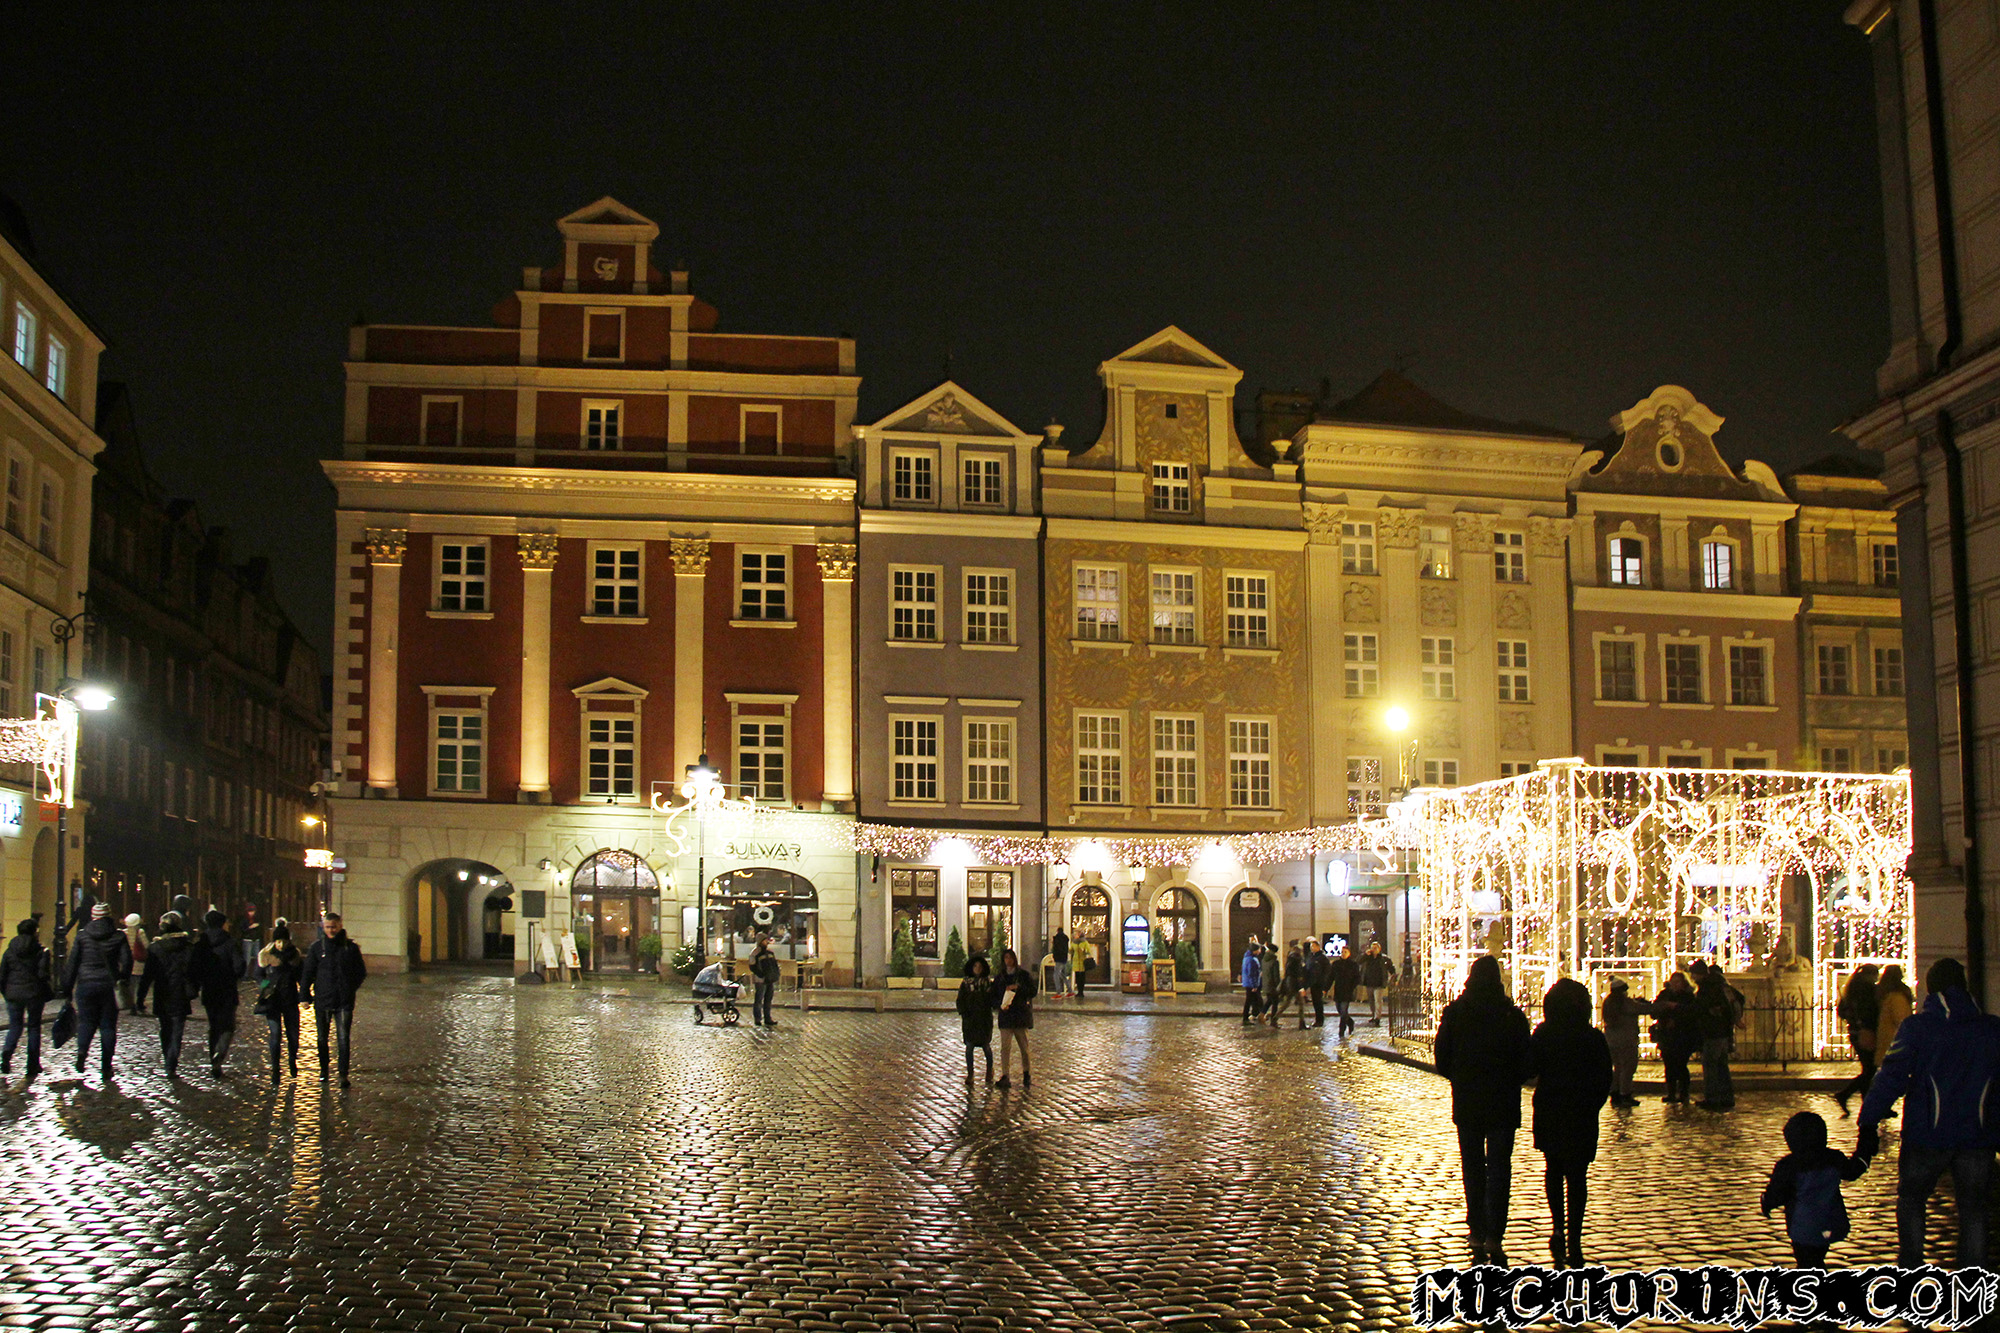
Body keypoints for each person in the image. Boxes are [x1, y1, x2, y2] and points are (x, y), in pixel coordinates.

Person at [1856, 956, 2000, 1268]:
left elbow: (1890, 1077)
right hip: (1978, 1135)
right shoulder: (1992, 1029)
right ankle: (1973, 1274)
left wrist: (1868, 1121)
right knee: (1974, 1207)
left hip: (1927, 1133)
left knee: (1912, 1199)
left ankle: (1911, 1265)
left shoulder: (1917, 1028)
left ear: (1931, 990)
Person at [1434, 955, 1531, 1264]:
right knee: (1500, 1168)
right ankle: (1495, 1234)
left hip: (1469, 1099)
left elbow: (1442, 1056)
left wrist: (1460, 1077)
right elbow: (1526, 1060)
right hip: (1502, 1099)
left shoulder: (1457, 1012)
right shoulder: (1511, 1015)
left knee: (1473, 1167)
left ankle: (1476, 1228)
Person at [1528, 977, 1613, 1267]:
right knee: (1577, 1177)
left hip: (1552, 1106)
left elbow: (1530, 1067)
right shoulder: (1592, 1037)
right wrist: (1593, 1104)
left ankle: (1558, 1227)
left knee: (1554, 1169)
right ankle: (1574, 1235)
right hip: (1581, 1111)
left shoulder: (1544, 1033)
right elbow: (1605, 1077)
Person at [1763, 1110, 1868, 1269]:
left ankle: (1810, 1285)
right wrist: (1865, 1150)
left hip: (1802, 1226)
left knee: (1805, 1259)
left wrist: (1766, 1202)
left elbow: (1777, 1193)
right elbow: (1853, 1171)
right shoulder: (1833, 1158)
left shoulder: (1788, 1165)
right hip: (1830, 1221)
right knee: (1818, 1254)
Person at [63, 902, 132, 1082]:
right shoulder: (118, 936)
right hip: (109, 986)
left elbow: (73, 963)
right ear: (109, 915)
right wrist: (121, 978)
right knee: (108, 1026)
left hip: (86, 984)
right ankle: (106, 1067)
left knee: (85, 1022)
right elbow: (127, 961)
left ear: (93, 916)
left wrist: (67, 988)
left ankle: (81, 1051)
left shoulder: (82, 936)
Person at [301, 911, 367, 1087]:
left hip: (344, 1000)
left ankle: (343, 1074)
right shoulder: (317, 948)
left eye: (334, 927)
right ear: (323, 927)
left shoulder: (350, 948)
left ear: (340, 926)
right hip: (323, 999)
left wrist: (350, 987)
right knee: (322, 1038)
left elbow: (360, 972)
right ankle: (324, 1071)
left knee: (343, 1037)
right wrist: (304, 995)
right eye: (328, 927)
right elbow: (308, 973)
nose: (331, 930)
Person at [139, 912, 197, 1078]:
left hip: (162, 992)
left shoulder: (155, 948)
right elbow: (193, 971)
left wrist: (140, 996)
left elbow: (147, 975)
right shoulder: (187, 947)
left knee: (165, 1029)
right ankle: (172, 1063)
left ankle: (168, 1060)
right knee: (177, 1030)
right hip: (180, 992)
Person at [196, 909, 246, 1078]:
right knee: (228, 1026)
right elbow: (239, 966)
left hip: (209, 990)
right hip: (227, 990)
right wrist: (234, 976)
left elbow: (194, 967)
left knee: (213, 1027)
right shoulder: (230, 942)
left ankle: (213, 1059)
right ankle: (220, 1053)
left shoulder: (201, 943)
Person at [0, 919, 53, 1077]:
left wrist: (6, 993)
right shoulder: (40, 951)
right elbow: (43, 974)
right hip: (34, 994)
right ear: (34, 932)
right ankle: (32, 1065)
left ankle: (6, 1055)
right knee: (34, 1028)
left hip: (13, 994)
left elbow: (2, 975)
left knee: (15, 1026)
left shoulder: (9, 951)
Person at [255, 922, 303, 1082]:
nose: (281, 944)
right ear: (274, 941)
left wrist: (304, 995)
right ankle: (275, 1069)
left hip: (290, 999)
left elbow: (301, 976)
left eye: (284, 941)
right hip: (273, 1000)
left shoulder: (294, 956)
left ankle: (292, 1060)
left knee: (293, 1035)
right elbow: (258, 975)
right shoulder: (266, 956)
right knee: (275, 1034)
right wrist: (265, 986)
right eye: (278, 941)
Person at [1833, 963, 1881, 1116]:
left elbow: (1841, 1011)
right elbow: (1871, 1011)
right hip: (1866, 1032)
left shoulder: (1851, 988)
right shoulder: (1867, 990)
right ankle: (1847, 1095)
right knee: (1870, 1069)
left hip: (1854, 1031)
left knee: (1868, 1069)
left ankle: (1867, 1103)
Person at [1692, 964, 1739, 1110]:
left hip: (1713, 1031)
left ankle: (1712, 1098)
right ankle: (1726, 1097)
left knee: (1711, 1065)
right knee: (1721, 1066)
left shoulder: (1708, 988)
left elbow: (1703, 1007)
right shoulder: (1721, 985)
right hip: (1722, 1031)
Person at [1600, 978, 1649, 1108]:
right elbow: (1643, 1009)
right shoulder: (1624, 1003)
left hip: (1611, 1040)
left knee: (1617, 1068)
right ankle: (1625, 1094)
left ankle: (1615, 1093)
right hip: (1626, 1040)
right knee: (1628, 1068)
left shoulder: (1608, 1002)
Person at [991, 946, 1035, 1088]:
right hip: (1006, 1016)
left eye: (1010, 958)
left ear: (1014, 959)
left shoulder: (1023, 975)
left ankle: (1026, 1073)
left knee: (1024, 1048)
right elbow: (993, 996)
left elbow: (1032, 991)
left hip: (1020, 1016)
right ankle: (1005, 1075)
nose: (1008, 961)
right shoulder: (1000, 978)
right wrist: (1000, 1005)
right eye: (1006, 958)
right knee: (1005, 1048)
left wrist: (1019, 988)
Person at [1651, 972, 1696, 1104]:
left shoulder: (1688, 997)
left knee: (1681, 1065)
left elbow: (1691, 1013)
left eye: (1678, 982)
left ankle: (1684, 1093)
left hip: (1683, 1035)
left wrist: (1676, 1014)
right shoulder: (1665, 995)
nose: (1675, 985)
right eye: (1673, 982)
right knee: (1669, 1065)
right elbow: (1656, 1010)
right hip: (1667, 1035)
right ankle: (1671, 1092)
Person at [956, 954, 993, 1084]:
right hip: (970, 1020)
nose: (977, 968)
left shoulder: (987, 983)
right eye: (975, 966)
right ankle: (970, 1074)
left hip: (984, 1020)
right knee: (969, 1047)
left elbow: (991, 1000)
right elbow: (960, 1000)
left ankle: (989, 1071)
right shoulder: (966, 983)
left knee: (986, 1047)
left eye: (980, 966)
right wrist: (964, 1012)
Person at [1875, 964, 1914, 1089]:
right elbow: (1902, 1020)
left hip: (1886, 1042)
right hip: (1896, 1043)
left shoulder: (1884, 994)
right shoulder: (1898, 997)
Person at [1269, 938, 1304, 1028]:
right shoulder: (1297, 960)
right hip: (1294, 984)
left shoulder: (1291, 958)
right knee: (1296, 1003)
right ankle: (1301, 1024)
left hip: (1290, 983)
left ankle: (1275, 1019)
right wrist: (1300, 987)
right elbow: (1297, 974)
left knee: (1289, 1003)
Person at [748, 934, 779, 1029]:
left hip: (770, 978)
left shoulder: (770, 952)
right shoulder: (755, 953)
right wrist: (760, 974)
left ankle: (767, 1018)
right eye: (765, 940)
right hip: (760, 979)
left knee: (768, 999)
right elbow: (752, 966)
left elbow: (774, 964)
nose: (767, 942)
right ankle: (758, 1018)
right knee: (759, 999)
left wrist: (776, 973)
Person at [1330, 944, 1361, 1039]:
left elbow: (1357, 978)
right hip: (1338, 990)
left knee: (1343, 1011)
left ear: (1349, 953)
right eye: (1342, 952)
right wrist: (1325, 988)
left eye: (1345, 952)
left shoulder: (1353, 965)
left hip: (1347, 990)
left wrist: (1352, 987)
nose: (1343, 954)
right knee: (1340, 1010)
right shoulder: (1336, 964)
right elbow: (1331, 977)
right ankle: (1350, 1022)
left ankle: (1341, 1030)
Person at [1362, 941, 1396, 1027]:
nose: (1373, 949)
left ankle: (1377, 1017)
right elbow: (1359, 961)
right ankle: (1373, 1015)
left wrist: (1393, 978)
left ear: (1379, 949)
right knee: (1371, 1000)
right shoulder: (1368, 958)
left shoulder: (1384, 958)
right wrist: (1365, 954)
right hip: (1369, 982)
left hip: (1379, 983)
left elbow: (1391, 968)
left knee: (1378, 1000)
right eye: (1372, 948)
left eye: (1375, 948)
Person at [120, 913, 148, 1013]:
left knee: (130, 986)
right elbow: (146, 946)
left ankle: (130, 1005)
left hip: (128, 963)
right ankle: (139, 1004)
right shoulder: (140, 932)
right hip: (139, 963)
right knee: (140, 986)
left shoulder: (123, 933)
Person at [1304, 939, 1329, 1029]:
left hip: (1319, 983)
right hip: (1312, 983)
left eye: (1313, 946)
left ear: (1318, 947)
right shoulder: (1311, 956)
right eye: (1311, 946)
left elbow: (1326, 972)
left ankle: (1320, 1020)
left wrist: (1324, 985)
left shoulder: (1323, 958)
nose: (1311, 948)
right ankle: (1318, 1019)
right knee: (1315, 1002)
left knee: (1318, 1002)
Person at [1240, 941, 1263, 1024]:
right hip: (1251, 984)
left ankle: (1255, 1015)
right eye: (1259, 949)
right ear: (1255, 950)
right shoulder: (1252, 959)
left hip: (1248, 983)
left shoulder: (1247, 957)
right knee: (1250, 1001)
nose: (1260, 951)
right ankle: (1246, 1018)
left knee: (1253, 1000)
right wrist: (1254, 985)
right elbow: (1251, 973)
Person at [1050, 927, 1070, 998]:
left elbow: (1055, 949)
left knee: (1056, 975)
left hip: (1058, 959)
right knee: (1063, 975)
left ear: (1057, 931)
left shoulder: (1057, 939)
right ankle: (1070, 990)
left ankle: (1058, 992)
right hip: (1064, 958)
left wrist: (1054, 957)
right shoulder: (1066, 938)